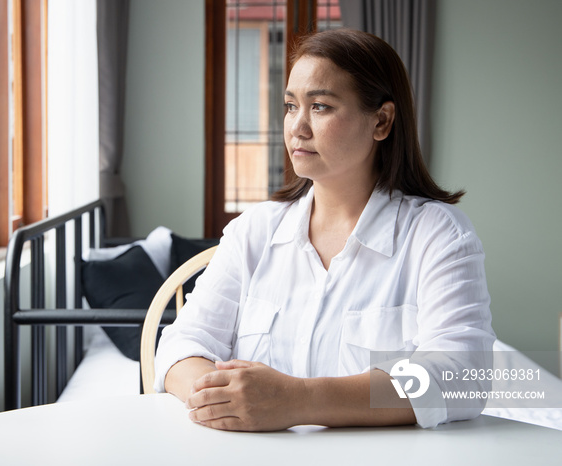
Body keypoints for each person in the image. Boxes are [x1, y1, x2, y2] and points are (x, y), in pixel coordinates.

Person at [154, 29, 495, 431]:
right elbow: (182, 346)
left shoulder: (437, 235)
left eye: (320, 107)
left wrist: (299, 401)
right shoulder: (253, 231)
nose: (297, 127)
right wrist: (229, 401)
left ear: (381, 121)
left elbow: (462, 375)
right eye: (289, 105)